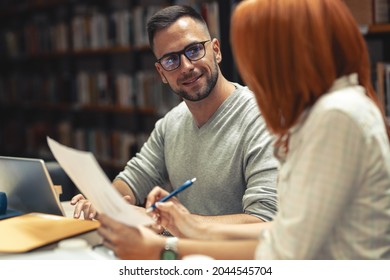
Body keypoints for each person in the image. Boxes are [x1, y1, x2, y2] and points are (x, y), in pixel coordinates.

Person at [97, 0, 390, 260]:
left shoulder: (335, 115)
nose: (253, 72)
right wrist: (190, 226)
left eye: (259, 57)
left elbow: (285, 252)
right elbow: (283, 233)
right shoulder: (324, 113)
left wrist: (163, 251)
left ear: (295, 53)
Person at [71, 5, 278, 225]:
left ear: (216, 50)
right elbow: (135, 177)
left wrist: (176, 222)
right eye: (171, 60)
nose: (186, 66)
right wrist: (103, 202)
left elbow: (263, 220)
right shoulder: (171, 123)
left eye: (194, 50)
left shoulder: (262, 118)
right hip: (183, 253)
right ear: (161, 73)